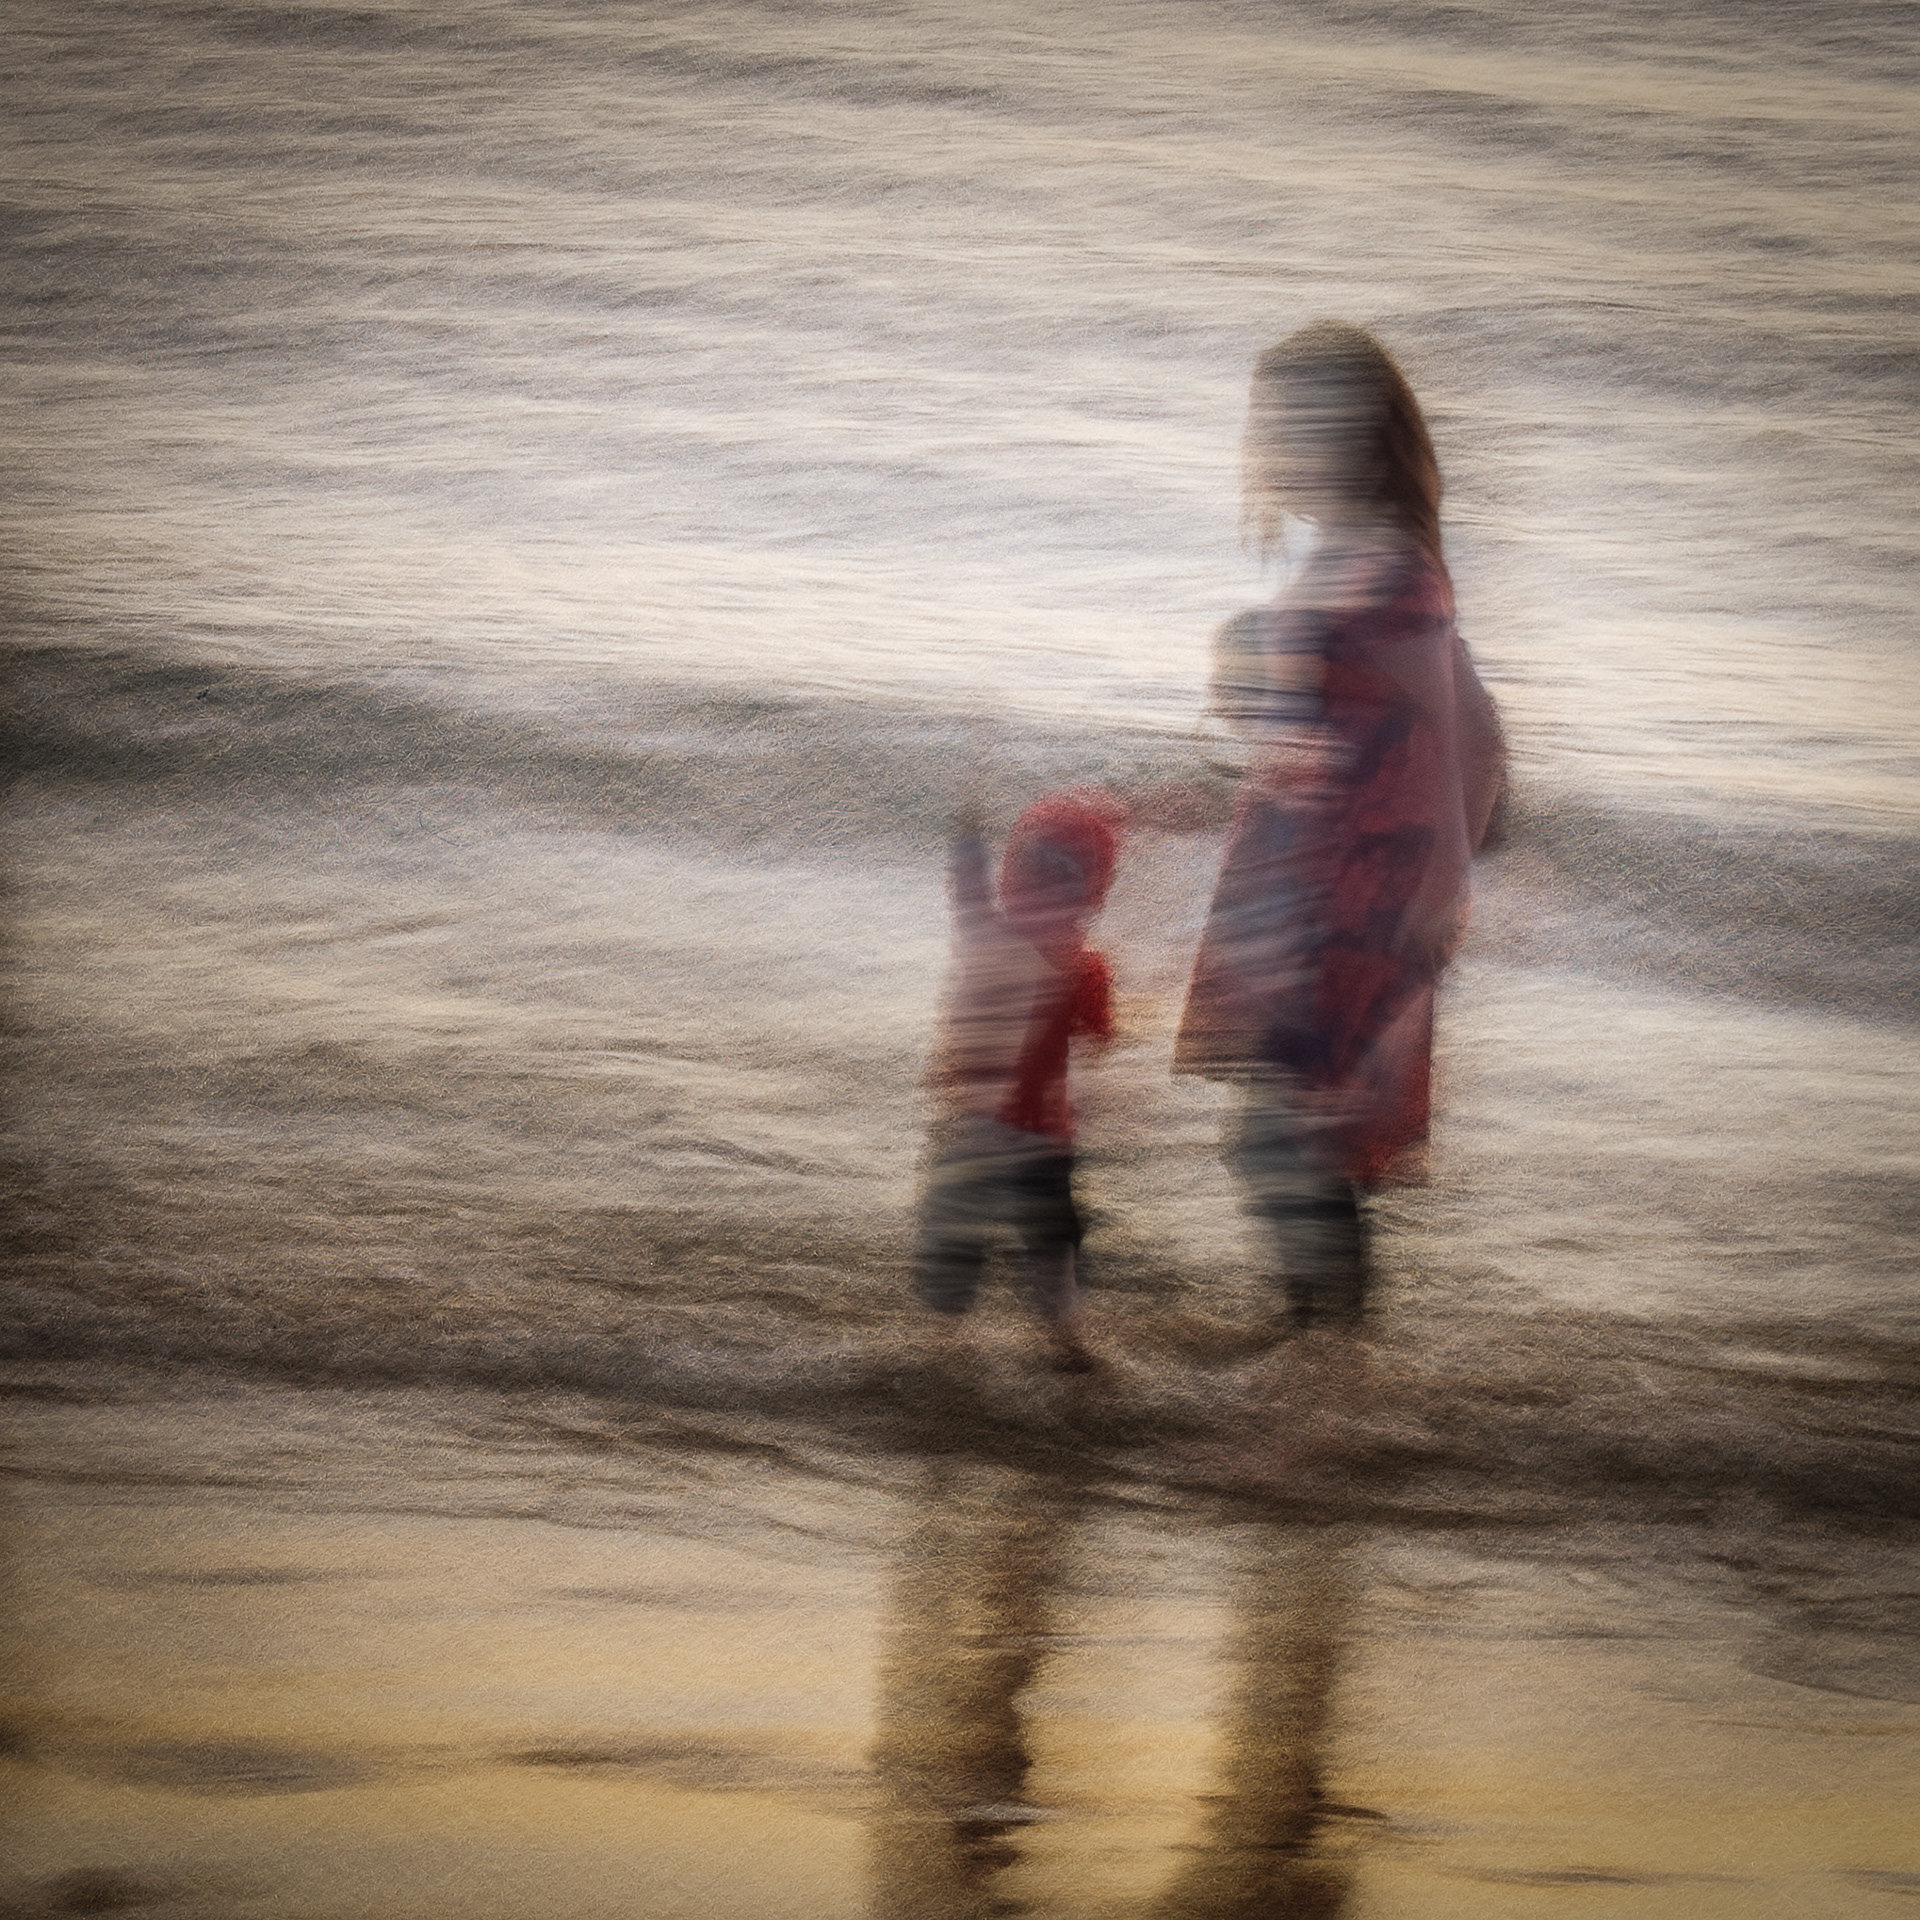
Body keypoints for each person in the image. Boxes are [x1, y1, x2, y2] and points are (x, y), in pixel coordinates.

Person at [1175, 321, 1506, 1334]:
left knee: (1289, 1140)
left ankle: (1328, 1381)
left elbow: (1470, 736)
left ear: (1347, 438)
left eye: (1285, 430)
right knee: (1286, 1139)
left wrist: (1442, 885)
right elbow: (1455, 721)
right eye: (1266, 429)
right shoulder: (1355, 556)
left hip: (1356, 896)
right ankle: (1308, 1350)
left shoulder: (1394, 570)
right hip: (1304, 886)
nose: (1268, 452)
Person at [915, 791, 1125, 1371]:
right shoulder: (1084, 967)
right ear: (1094, 891)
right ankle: (1065, 1342)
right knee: (1052, 1241)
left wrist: (967, 827)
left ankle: (943, 1341)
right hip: (1043, 1137)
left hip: (968, 1123)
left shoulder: (983, 931)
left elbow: (965, 886)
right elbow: (1098, 1040)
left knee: (953, 1230)